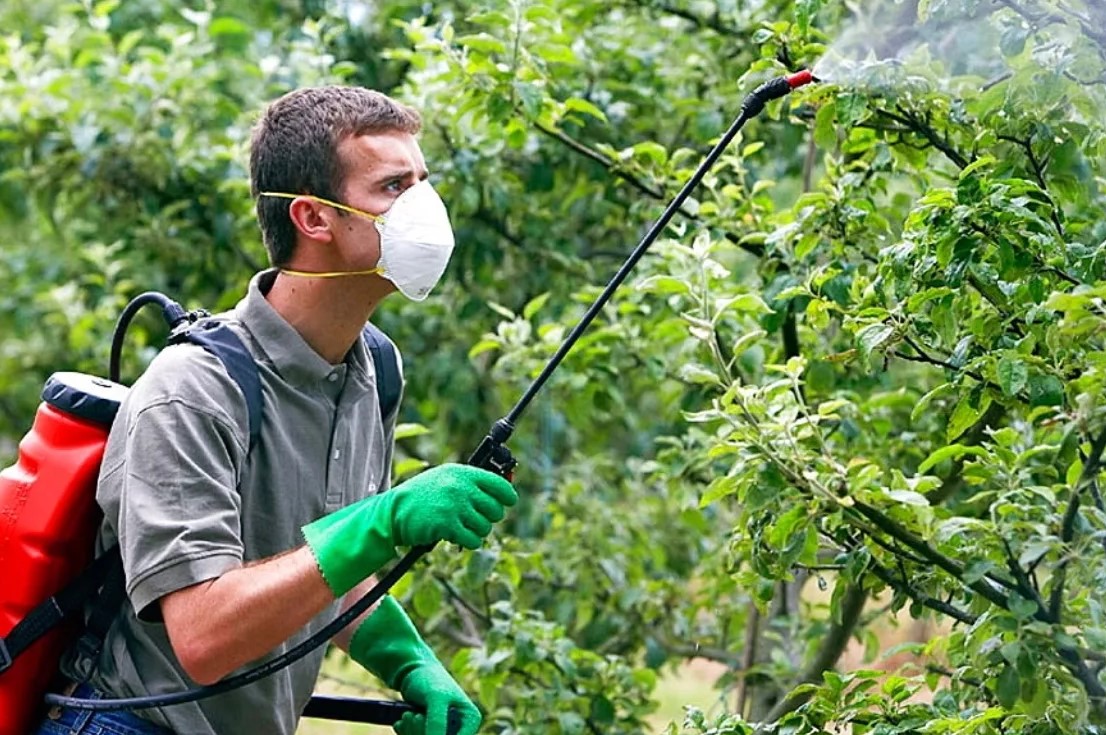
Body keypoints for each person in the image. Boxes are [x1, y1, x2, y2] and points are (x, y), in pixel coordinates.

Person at [35, 86, 516, 735]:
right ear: (314, 218)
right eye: (393, 186)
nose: (425, 209)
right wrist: (385, 517)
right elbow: (203, 636)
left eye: (422, 180)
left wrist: (412, 663)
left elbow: (319, 571)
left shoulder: (375, 368)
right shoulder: (193, 389)